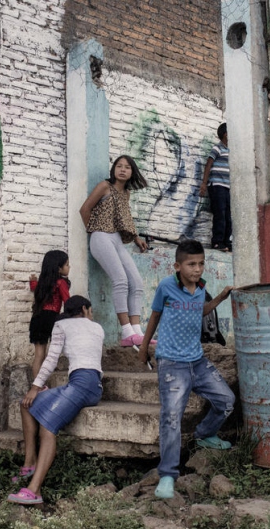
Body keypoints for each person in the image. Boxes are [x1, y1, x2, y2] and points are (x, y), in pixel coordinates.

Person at [138, 239, 236, 500]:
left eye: (201, 263)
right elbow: (155, 316)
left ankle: (204, 434)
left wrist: (220, 298)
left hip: (198, 361)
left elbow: (200, 311)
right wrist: (143, 346)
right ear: (177, 265)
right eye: (192, 264)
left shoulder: (201, 287)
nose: (198, 269)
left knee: (226, 400)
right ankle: (168, 474)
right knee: (171, 417)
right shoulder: (166, 286)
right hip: (171, 363)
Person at [8, 296, 105, 505]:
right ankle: (30, 462)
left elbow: (51, 359)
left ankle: (34, 490)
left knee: (48, 428)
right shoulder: (97, 327)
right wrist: (34, 391)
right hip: (89, 384)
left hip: (83, 384)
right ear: (85, 309)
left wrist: (35, 386)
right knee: (26, 404)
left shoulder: (61, 325)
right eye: (91, 310)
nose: (92, 314)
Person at [80, 154, 154, 347]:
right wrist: (94, 232)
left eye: (127, 167)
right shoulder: (105, 186)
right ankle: (126, 332)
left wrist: (136, 237)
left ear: (132, 172)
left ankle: (137, 332)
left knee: (136, 282)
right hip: (101, 236)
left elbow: (124, 219)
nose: (122, 169)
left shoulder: (126, 194)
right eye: (119, 166)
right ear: (113, 170)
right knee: (120, 280)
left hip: (116, 239)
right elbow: (85, 209)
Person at [28, 250, 71, 380]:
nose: (69, 267)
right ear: (59, 268)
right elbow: (67, 302)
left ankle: (37, 385)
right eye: (67, 265)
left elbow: (35, 287)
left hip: (38, 318)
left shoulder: (43, 283)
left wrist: (32, 282)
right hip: (51, 319)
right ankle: (45, 381)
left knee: (39, 355)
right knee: (52, 355)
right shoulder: (61, 283)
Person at [199, 123, 231, 252]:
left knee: (228, 216)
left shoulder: (231, 151)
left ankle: (226, 241)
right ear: (226, 135)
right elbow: (208, 165)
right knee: (220, 214)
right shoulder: (218, 148)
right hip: (217, 186)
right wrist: (204, 184)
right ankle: (217, 242)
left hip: (227, 187)